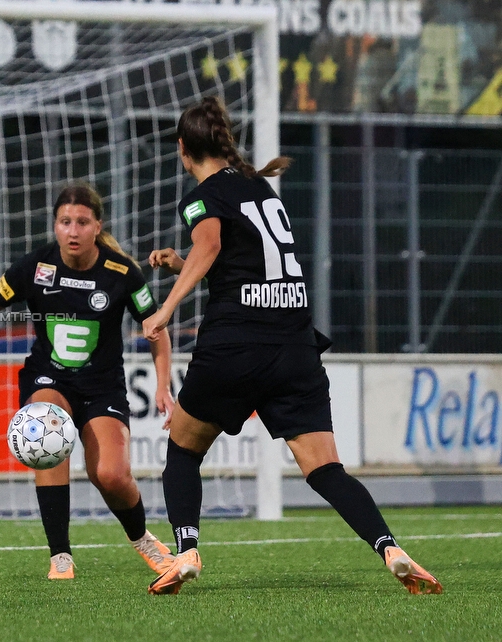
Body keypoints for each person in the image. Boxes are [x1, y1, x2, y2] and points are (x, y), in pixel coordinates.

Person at [141, 96, 442, 596]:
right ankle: (390, 547)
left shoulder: (200, 197)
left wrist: (166, 307)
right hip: (294, 346)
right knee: (325, 468)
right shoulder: (259, 187)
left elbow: (212, 244)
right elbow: (240, 254)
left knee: (183, 449)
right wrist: (181, 262)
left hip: (237, 343)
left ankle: (187, 549)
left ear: (182, 149)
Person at [0, 182, 177, 580]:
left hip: (102, 385)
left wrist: (163, 384)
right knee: (45, 428)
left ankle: (142, 538)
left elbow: (156, 330)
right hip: (48, 375)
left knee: (110, 474)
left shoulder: (121, 272)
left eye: (82, 222)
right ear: (55, 226)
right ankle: (60, 555)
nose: (73, 231)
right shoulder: (36, 267)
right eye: (64, 222)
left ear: (97, 226)